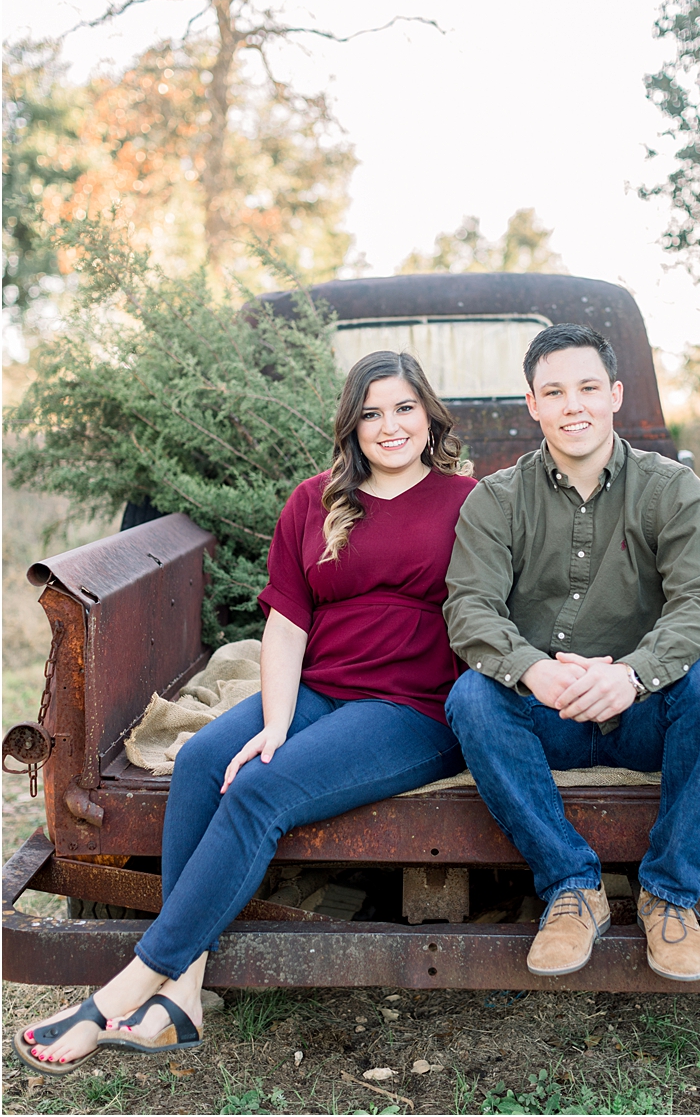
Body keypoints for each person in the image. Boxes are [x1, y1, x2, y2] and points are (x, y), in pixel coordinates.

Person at [15, 350, 474, 1074]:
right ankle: (184, 997)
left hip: (411, 709)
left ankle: (123, 993)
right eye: (371, 413)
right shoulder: (314, 500)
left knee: (259, 789)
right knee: (201, 760)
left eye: (404, 408)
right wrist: (276, 720)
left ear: (429, 414)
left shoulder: (467, 501)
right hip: (320, 686)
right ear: (351, 426)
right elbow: (288, 623)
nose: (390, 427)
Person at [443, 323, 700, 982]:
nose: (571, 405)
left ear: (613, 394)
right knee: (471, 695)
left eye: (586, 388)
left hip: (642, 720)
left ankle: (668, 894)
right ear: (532, 404)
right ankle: (571, 888)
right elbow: (469, 608)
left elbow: (698, 605)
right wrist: (534, 669)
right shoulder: (495, 500)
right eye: (552, 392)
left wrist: (634, 676)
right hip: (543, 718)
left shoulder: (672, 490)